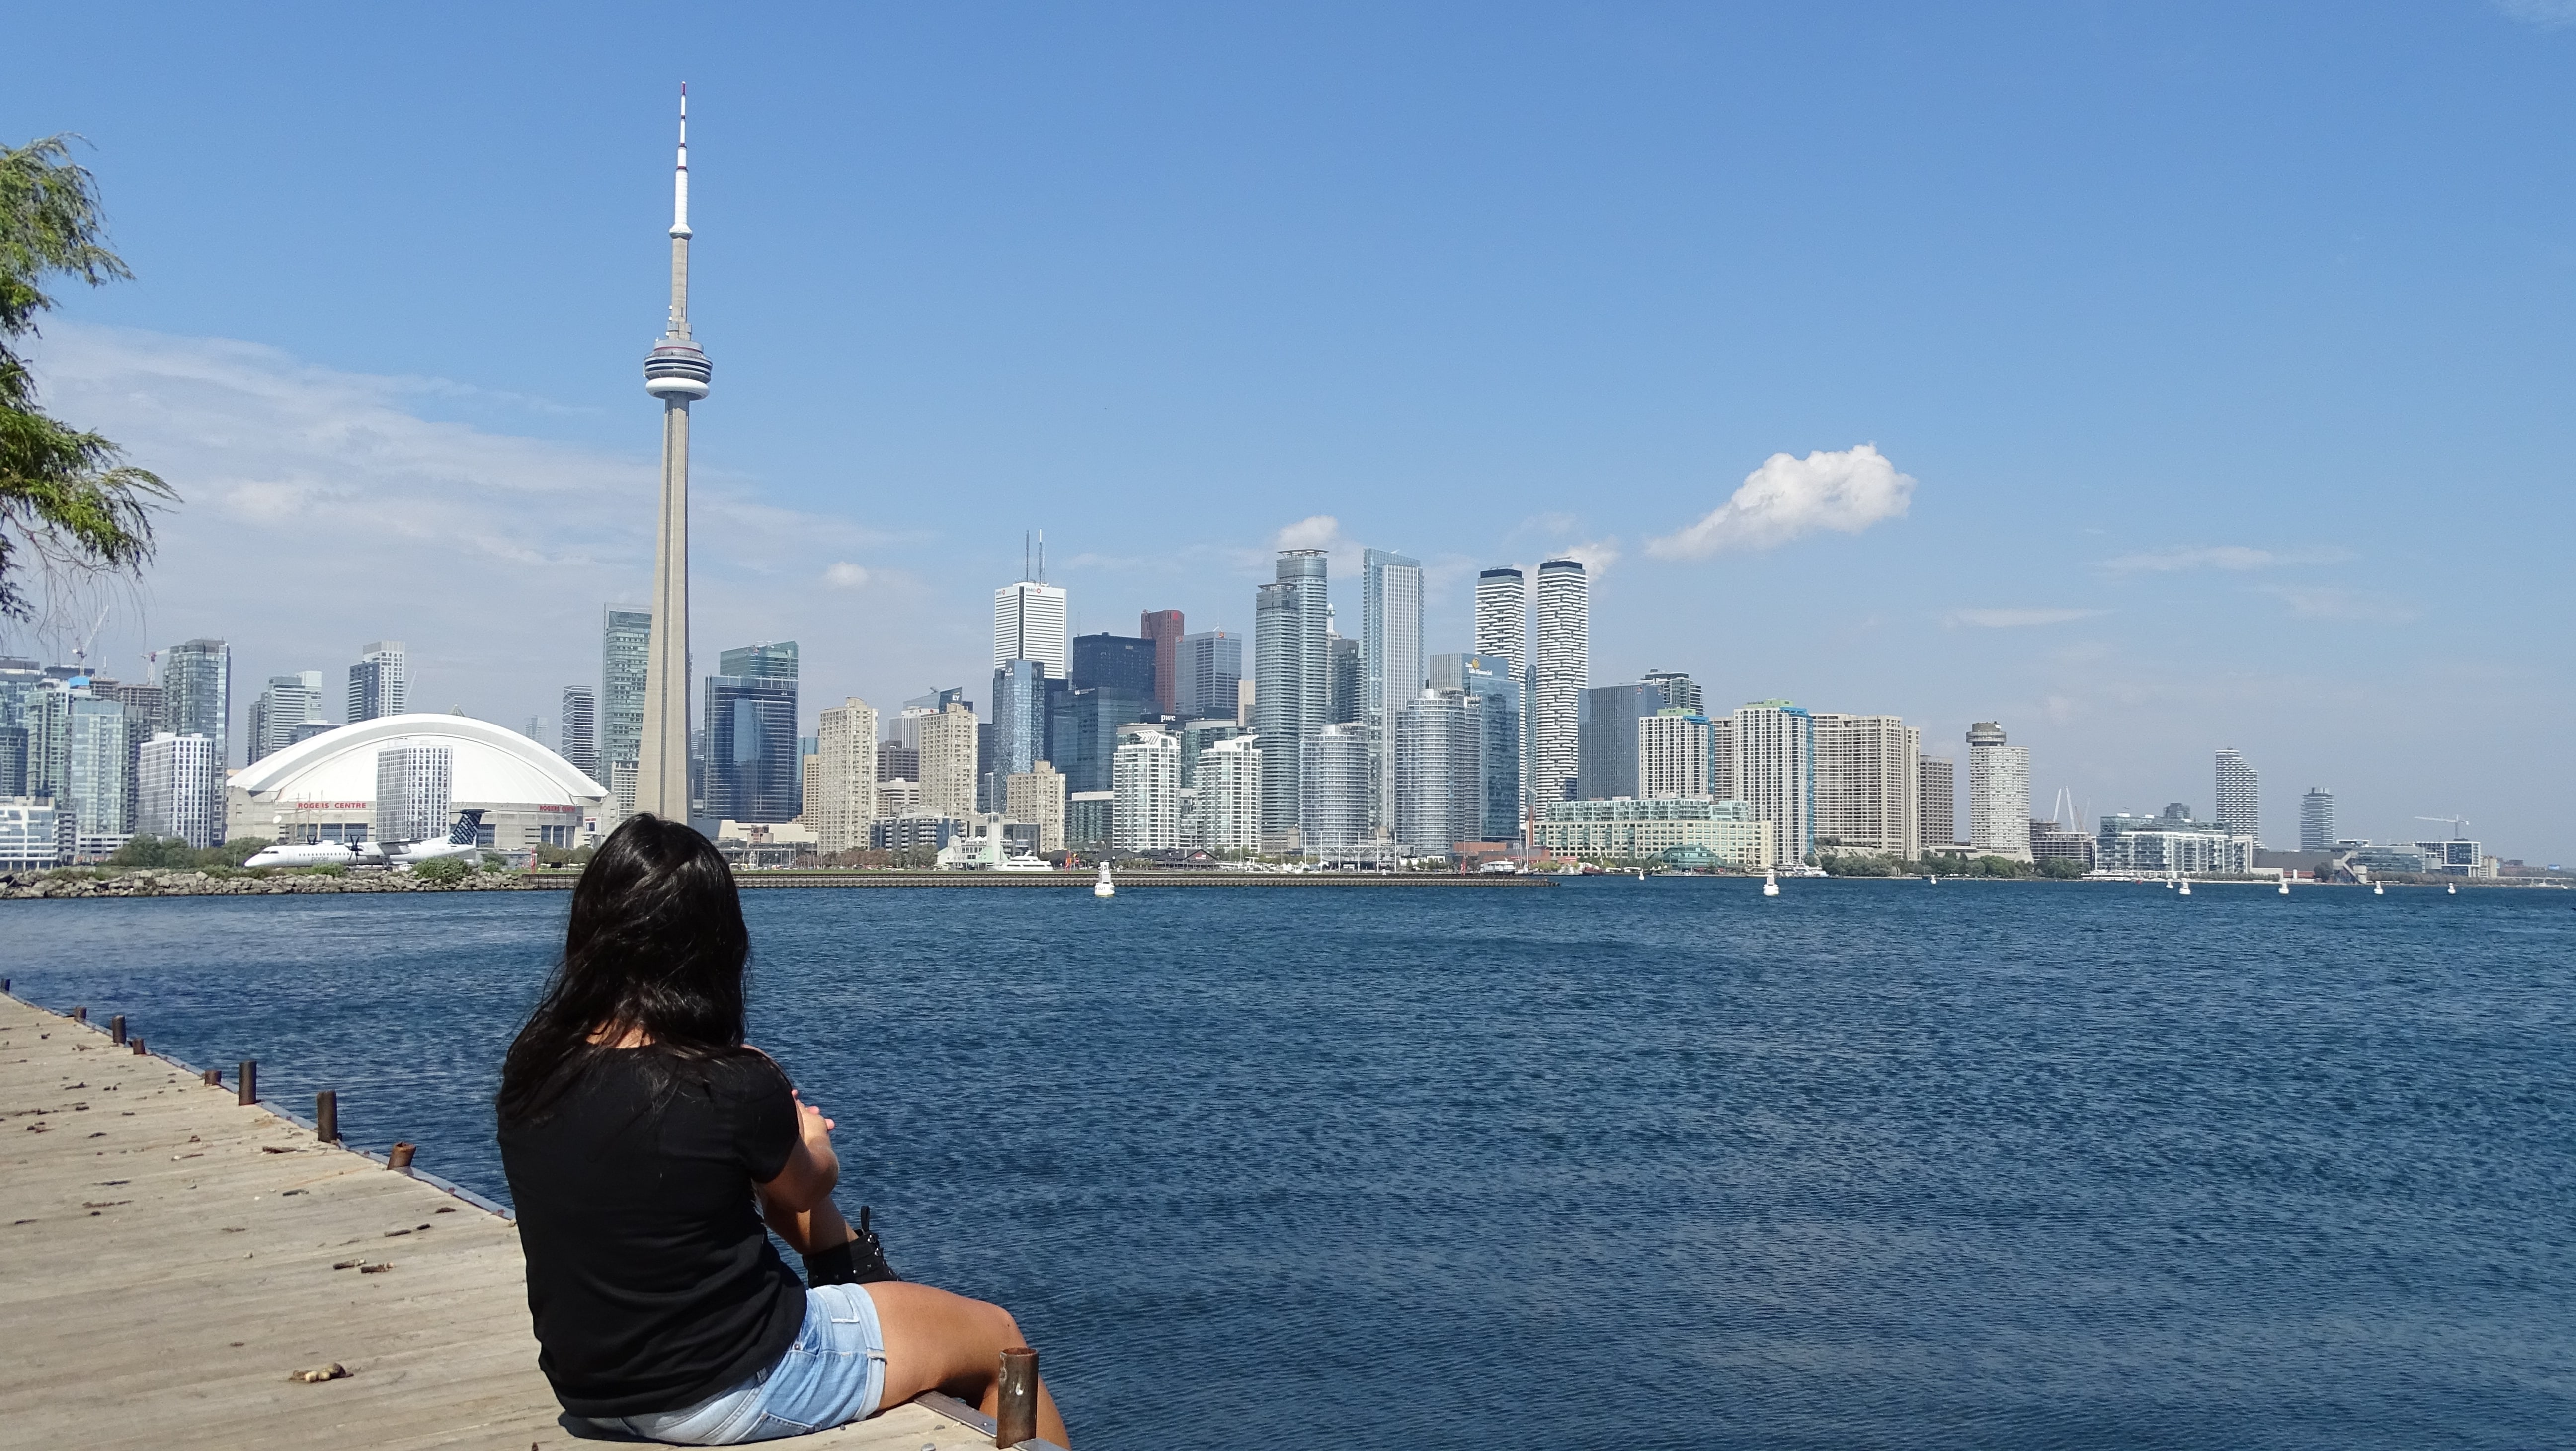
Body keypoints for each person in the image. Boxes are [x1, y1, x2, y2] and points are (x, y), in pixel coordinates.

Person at [498, 814, 1070, 1446]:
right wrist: (811, 1138)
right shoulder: (730, 1082)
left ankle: (858, 1274)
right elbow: (802, 1191)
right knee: (997, 1336)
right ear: (713, 945)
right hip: (729, 1386)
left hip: (593, 1391)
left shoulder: (535, 1069)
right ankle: (863, 1278)